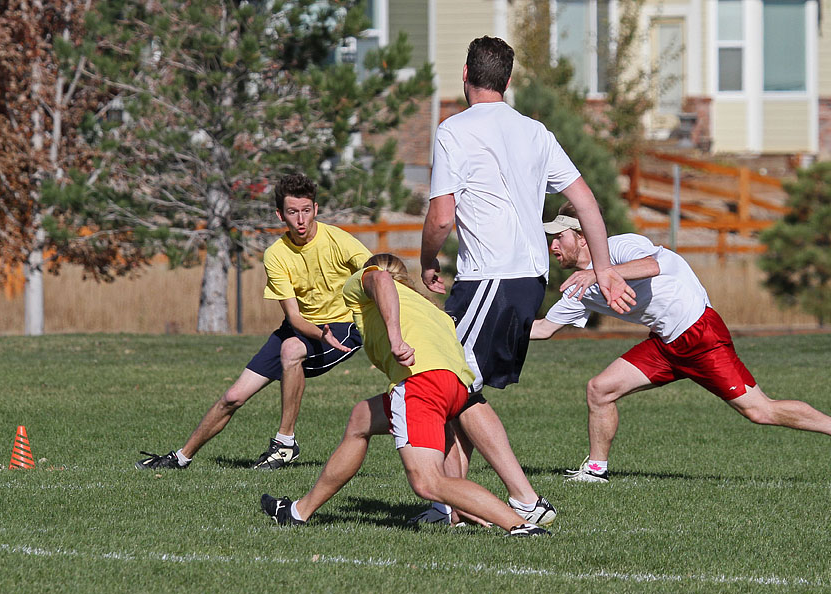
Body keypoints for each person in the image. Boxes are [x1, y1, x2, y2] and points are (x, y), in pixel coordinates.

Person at [412, 36, 636, 523]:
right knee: (461, 385)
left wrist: (426, 258)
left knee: (451, 383)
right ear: (509, 83)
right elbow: (588, 205)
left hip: (489, 279)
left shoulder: (453, 129)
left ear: (465, 76)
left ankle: (523, 498)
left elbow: (441, 216)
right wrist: (604, 270)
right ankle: (451, 505)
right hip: (528, 281)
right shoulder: (535, 131)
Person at [531, 202, 831, 482]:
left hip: (700, 334)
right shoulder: (578, 286)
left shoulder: (618, 247)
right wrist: (488, 328)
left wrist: (599, 272)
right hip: (665, 344)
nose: (552, 246)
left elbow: (651, 266)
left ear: (580, 236)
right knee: (600, 389)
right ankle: (596, 471)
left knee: (759, 411)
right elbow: (545, 328)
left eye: (558, 237)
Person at [260, 254, 550, 536]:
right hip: (455, 388)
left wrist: (395, 337)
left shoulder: (363, 281)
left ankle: (520, 525)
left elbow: (381, 280)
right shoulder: (429, 307)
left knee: (427, 483)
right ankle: (299, 512)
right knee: (362, 418)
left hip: (421, 384)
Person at [136, 174, 371, 470]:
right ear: (280, 214)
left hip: (342, 327)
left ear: (316, 208)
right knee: (233, 396)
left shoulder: (338, 240)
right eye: (292, 212)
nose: (301, 219)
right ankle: (181, 457)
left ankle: (285, 444)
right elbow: (295, 318)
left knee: (291, 351)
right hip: (305, 328)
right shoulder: (276, 254)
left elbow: (378, 272)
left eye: (306, 210)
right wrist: (318, 335)